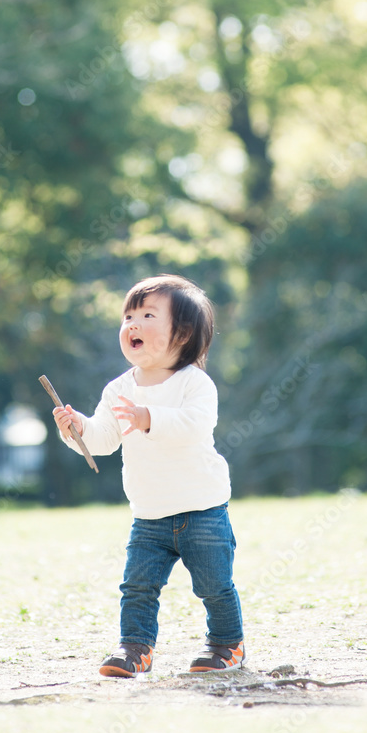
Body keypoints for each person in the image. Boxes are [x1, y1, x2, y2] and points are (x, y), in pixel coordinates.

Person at [52, 273, 244, 678]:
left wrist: (148, 417)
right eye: (128, 316)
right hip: (149, 513)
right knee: (137, 588)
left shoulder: (196, 385)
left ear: (182, 332)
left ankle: (226, 644)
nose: (132, 324)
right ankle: (135, 647)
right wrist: (77, 429)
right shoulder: (119, 389)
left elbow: (194, 426)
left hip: (202, 509)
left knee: (214, 586)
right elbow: (104, 438)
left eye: (147, 315)